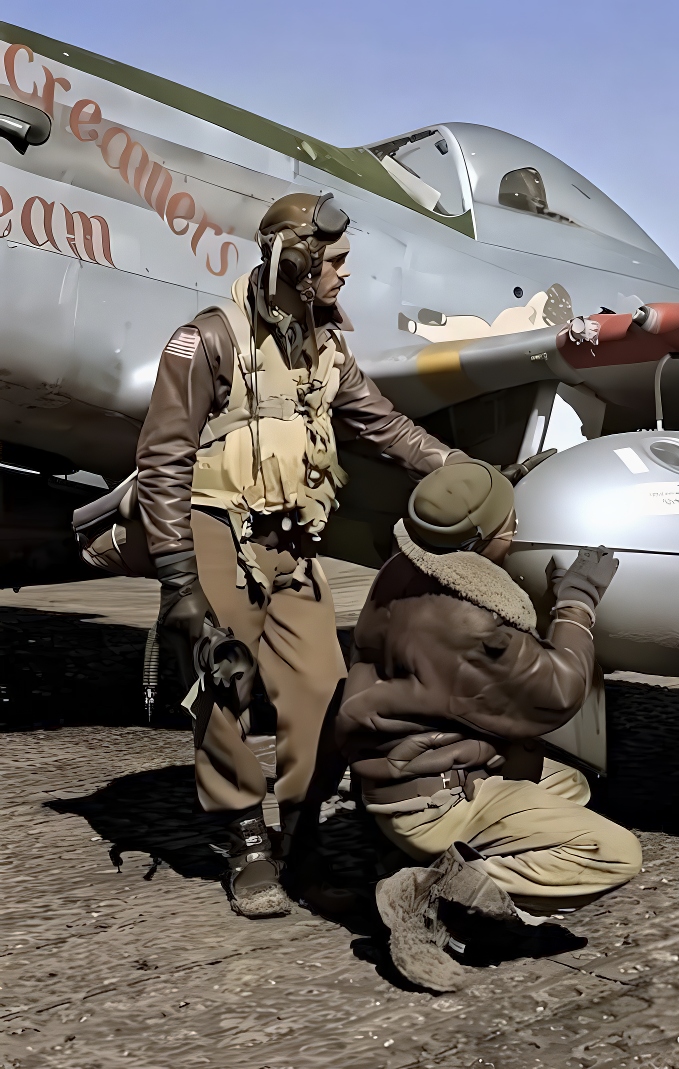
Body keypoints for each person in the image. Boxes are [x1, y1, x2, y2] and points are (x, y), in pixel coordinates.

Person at [136, 192, 469, 918]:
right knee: (225, 685)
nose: (348, 275)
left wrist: (461, 469)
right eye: (339, 261)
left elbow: (389, 429)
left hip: (294, 542)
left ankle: (304, 844)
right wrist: (178, 583)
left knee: (322, 689)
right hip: (218, 531)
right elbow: (162, 462)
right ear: (300, 258)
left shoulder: (328, 351)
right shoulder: (207, 341)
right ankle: (246, 845)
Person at [334, 460, 642, 990]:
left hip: (396, 775)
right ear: (490, 537)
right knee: (615, 855)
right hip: (432, 800)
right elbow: (559, 691)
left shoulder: (402, 570)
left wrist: (507, 476)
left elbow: (455, 512)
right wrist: (576, 605)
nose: (516, 531)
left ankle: (402, 856)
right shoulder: (476, 623)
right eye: (511, 524)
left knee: (570, 785)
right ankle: (432, 895)